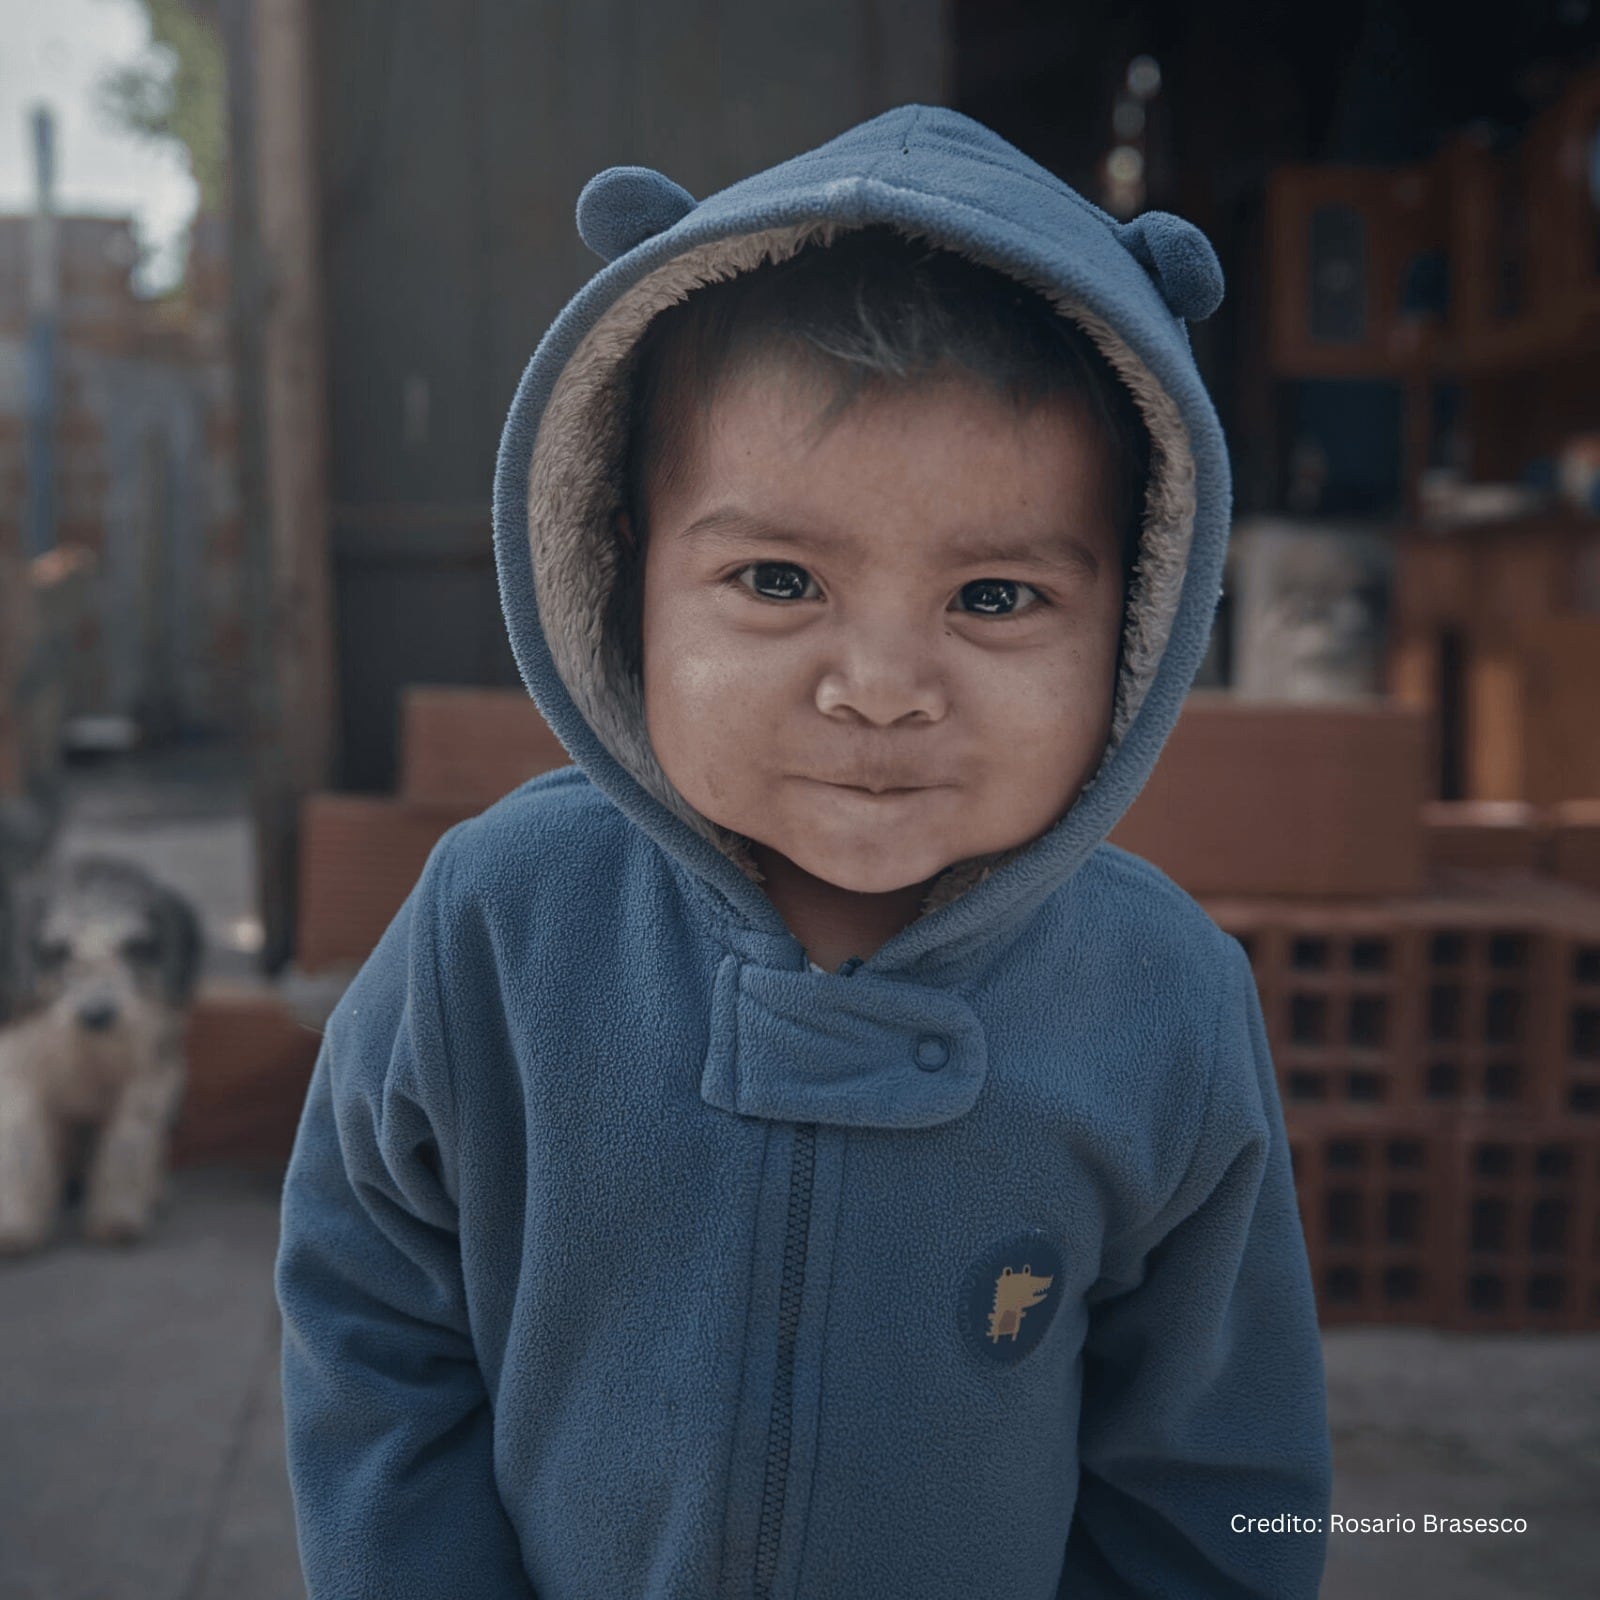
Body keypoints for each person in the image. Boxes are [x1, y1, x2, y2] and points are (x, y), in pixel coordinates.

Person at [275, 104, 1331, 1599]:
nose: (884, 684)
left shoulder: (1164, 1000)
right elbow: (369, 1297)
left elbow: (1218, 1475)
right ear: (621, 570)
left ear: (1144, 620)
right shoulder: (502, 921)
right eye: (777, 579)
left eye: (997, 598)